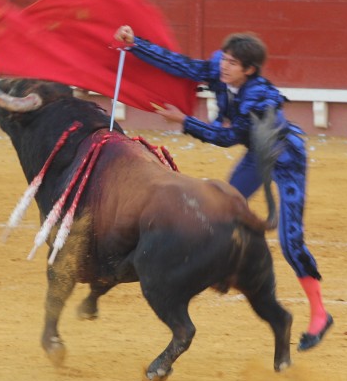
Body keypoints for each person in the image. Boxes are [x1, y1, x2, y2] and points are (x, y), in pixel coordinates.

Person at [113, 25, 334, 352]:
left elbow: (228, 137)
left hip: (283, 157)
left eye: (232, 64)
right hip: (254, 152)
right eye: (225, 60)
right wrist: (136, 46)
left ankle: (319, 313)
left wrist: (183, 121)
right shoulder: (220, 68)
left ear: (249, 70)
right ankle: (224, 265)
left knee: (290, 241)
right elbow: (183, 66)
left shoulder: (258, 94)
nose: (224, 67)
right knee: (223, 211)